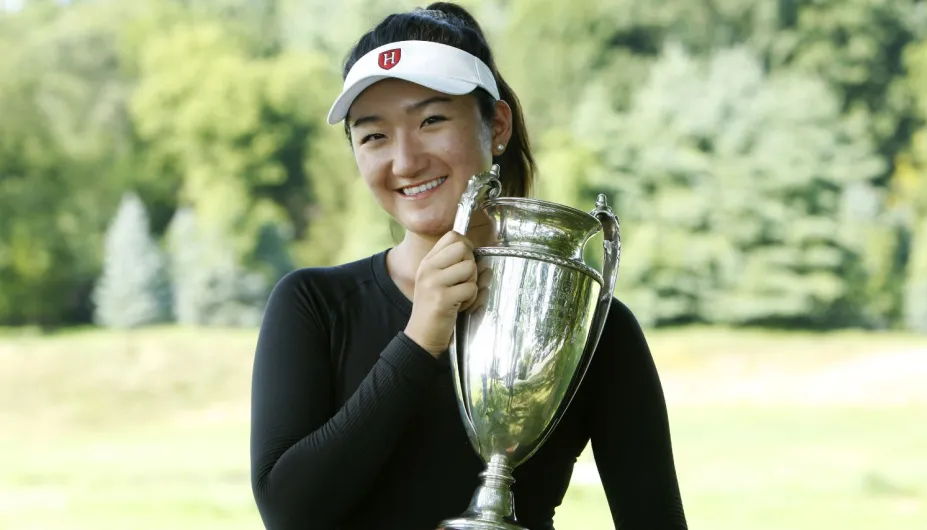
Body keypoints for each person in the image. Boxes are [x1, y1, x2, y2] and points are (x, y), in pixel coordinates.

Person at [249, 3, 688, 529]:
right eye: (373, 135)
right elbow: (288, 513)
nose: (406, 160)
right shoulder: (313, 305)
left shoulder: (593, 327)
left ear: (496, 126)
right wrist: (418, 340)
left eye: (431, 120)